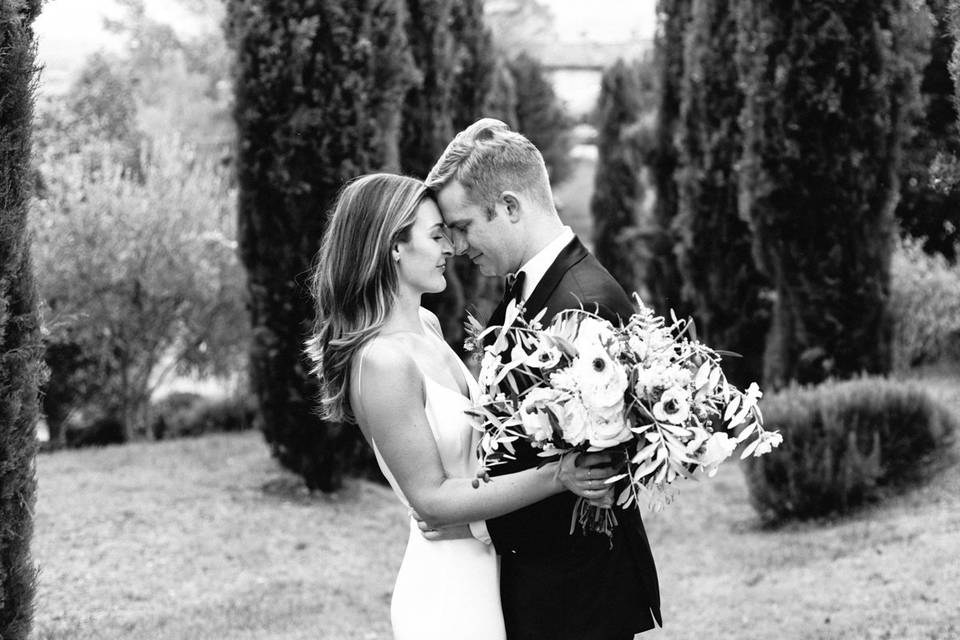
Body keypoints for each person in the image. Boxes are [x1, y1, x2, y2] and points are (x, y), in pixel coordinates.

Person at [305, 173, 616, 640]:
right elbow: (430, 499)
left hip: (486, 563)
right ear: (393, 246)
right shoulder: (384, 361)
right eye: (435, 236)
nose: (450, 247)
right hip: (447, 589)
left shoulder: (426, 325)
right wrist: (558, 475)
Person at [423, 118, 662, 640]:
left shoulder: (583, 306)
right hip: (546, 588)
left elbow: (593, 478)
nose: (458, 246)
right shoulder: (530, 291)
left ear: (509, 206)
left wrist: (476, 523)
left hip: (576, 598)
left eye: (462, 226)